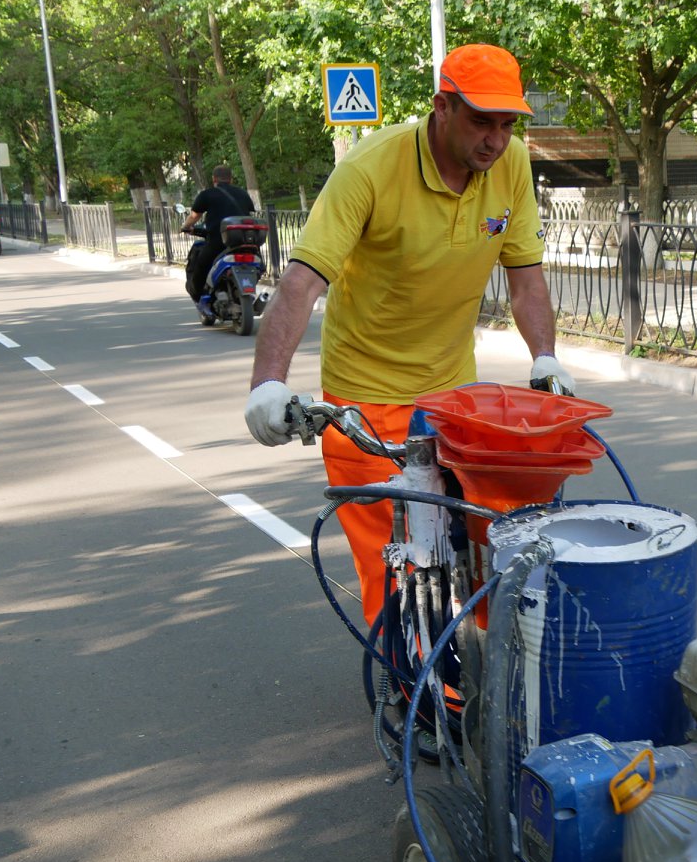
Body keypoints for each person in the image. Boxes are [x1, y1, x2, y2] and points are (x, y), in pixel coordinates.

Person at [243, 43, 574, 624]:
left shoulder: (511, 165)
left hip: (452, 395)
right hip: (365, 399)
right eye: (481, 122)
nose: (495, 140)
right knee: (394, 565)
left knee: (476, 550)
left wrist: (546, 358)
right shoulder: (370, 169)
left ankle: (471, 689)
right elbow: (301, 285)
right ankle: (409, 688)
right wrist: (268, 383)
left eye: (507, 124)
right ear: (442, 107)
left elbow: (526, 280)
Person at [182, 164, 255, 302]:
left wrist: (185, 226)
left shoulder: (207, 194)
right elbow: (249, 213)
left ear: (214, 179)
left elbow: (194, 216)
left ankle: (199, 297)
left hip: (218, 243)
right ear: (231, 179)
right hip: (244, 242)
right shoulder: (243, 194)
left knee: (201, 265)